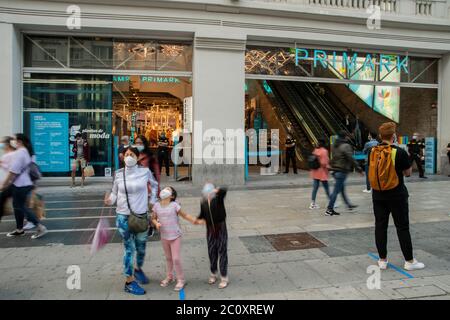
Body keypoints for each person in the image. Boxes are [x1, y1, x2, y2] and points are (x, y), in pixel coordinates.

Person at [368, 122, 425, 271]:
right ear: (393, 136)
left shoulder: (373, 151)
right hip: (396, 194)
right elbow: (407, 173)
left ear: (380, 136)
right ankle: (409, 261)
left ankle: (382, 260)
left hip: (378, 195)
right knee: (402, 227)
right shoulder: (399, 152)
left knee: (380, 226)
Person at [104, 146, 158, 296]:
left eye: (131, 154)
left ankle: (138, 268)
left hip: (140, 216)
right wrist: (110, 200)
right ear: (123, 157)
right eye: (126, 154)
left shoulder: (145, 172)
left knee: (141, 247)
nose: (128, 156)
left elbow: (154, 185)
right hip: (123, 216)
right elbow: (115, 192)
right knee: (129, 249)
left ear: (137, 157)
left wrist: (153, 200)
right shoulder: (118, 174)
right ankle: (129, 281)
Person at [0, 134, 48, 239]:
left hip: (21, 184)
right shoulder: (23, 152)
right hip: (19, 184)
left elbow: (13, 171)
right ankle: (19, 229)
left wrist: (4, 184)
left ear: (19, 142)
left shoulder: (21, 153)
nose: (12, 142)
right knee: (16, 205)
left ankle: (39, 227)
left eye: (14, 140)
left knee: (21, 207)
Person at [151, 186, 197, 291]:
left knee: (175, 258)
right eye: (165, 188)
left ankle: (181, 279)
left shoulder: (175, 205)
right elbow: (153, 218)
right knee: (168, 258)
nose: (165, 190)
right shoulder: (156, 206)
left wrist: (195, 220)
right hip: (164, 236)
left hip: (175, 236)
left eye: (168, 190)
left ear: (172, 196)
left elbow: (185, 215)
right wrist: (156, 223)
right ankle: (169, 276)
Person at [195, 183, 229, 289]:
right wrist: (197, 219)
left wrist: (216, 190)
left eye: (209, 190)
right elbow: (202, 214)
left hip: (221, 228)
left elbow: (224, 190)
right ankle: (213, 273)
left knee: (222, 251)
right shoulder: (203, 202)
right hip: (210, 229)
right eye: (205, 191)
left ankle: (224, 276)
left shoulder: (218, 199)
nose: (207, 193)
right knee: (211, 251)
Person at [325, 131, 363, 216]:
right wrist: (359, 169)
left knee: (341, 189)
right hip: (341, 171)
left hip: (335, 170)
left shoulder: (335, 145)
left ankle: (348, 205)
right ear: (346, 137)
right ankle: (329, 209)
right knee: (336, 191)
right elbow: (351, 158)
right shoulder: (346, 146)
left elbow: (334, 157)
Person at [310, 138, 331, 210]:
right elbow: (324, 163)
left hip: (315, 171)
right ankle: (330, 202)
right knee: (326, 187)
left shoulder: (315, 150)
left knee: (315, 188)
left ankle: (313, 203)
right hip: (322, 172)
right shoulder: (324, 151)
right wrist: (329, 168)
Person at [0, 137, 16, 221]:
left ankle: (33, 220)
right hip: (6, 183)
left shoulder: (11, 155)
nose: (0, 145)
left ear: (7, 144)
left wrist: (1, 164)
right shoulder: (7, 154)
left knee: (21, 205)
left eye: (1, 143)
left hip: (9, 183)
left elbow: (12, 169)